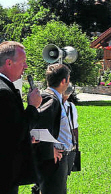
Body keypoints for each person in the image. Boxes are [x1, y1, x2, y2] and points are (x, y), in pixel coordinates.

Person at [0, 41, 42, 194]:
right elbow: (16, 131)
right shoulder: (2, 91)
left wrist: (25, 137)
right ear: (9, 62)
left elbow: (3, 131)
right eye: (23, 62)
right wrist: (32, 106)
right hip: (2, 170)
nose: (26, 67)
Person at [33, 63, 73, 194]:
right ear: (64, 81)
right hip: (54, 160)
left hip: (58, 158)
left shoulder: (54, 97)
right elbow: (38, 128)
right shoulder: (50, 98)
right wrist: (50, 150)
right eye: (68, 78)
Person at [63, 84, 79, 175]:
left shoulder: (70, 107)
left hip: (65, 147)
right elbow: (75, 128)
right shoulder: (71, 106)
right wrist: (76, 145)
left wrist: (76, 146)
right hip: (66, 145)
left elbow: (74, 127)